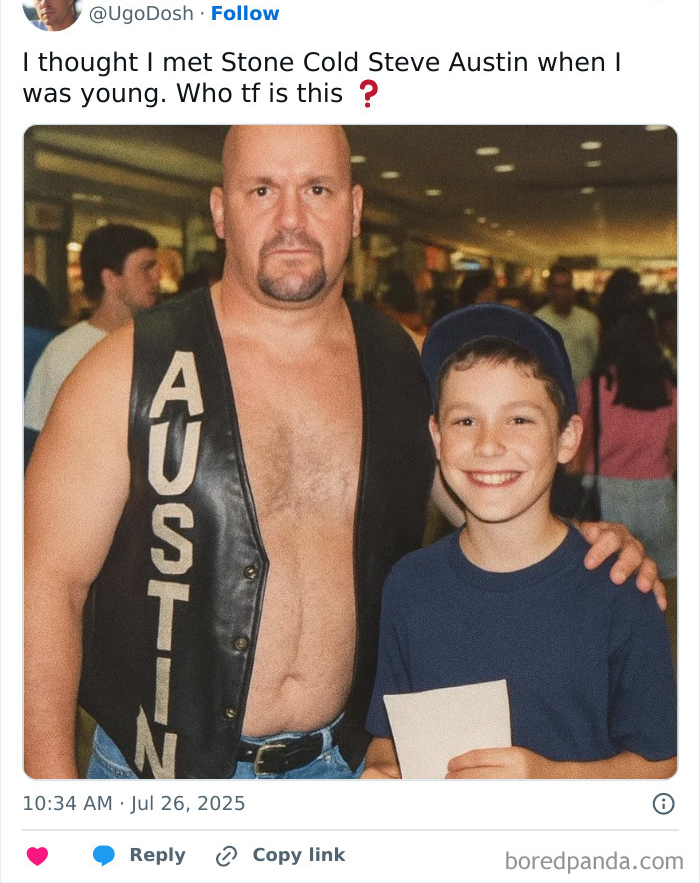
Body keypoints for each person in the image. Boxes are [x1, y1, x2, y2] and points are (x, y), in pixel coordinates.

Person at [24, 126, 661, 781]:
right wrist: (50, 797)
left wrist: (592, 545)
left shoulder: (406, 366)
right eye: (263, 189)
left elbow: (494, 508)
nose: (292, 219)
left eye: (318, 189)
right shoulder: (127, 370)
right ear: (220, 209)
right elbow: (41, 585)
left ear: (354, 209)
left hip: (348, 769)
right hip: (157, 781)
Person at [363, 305, 676, 779]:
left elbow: (666, 766)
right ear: (437, 437)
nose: (488, 445)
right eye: (465, 421)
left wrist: (548, 780)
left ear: (567, 438)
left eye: (520, 420)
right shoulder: (410, 585)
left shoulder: (618, 587)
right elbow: (389, 740)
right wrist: (385, 772)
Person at [24, 225, 160, 463]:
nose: (157, 277)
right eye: (145, 268)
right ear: (111, 279)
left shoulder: (160, 344)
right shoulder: (66, 353)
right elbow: (33, 444)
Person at [576, 306, 677, 582]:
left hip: (605, 493)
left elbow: (578, 447)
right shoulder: (669, 389)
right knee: (661, 580)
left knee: (607, 576)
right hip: (657, 494)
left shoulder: (595, 386)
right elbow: (676, 451)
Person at [535, 263, 599, 387]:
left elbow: (596, 356)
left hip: (584, 397)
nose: (563, 292)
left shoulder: (588, 320)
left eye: (567, 286)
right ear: (550, 289)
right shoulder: (539, 321)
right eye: (559, 287)